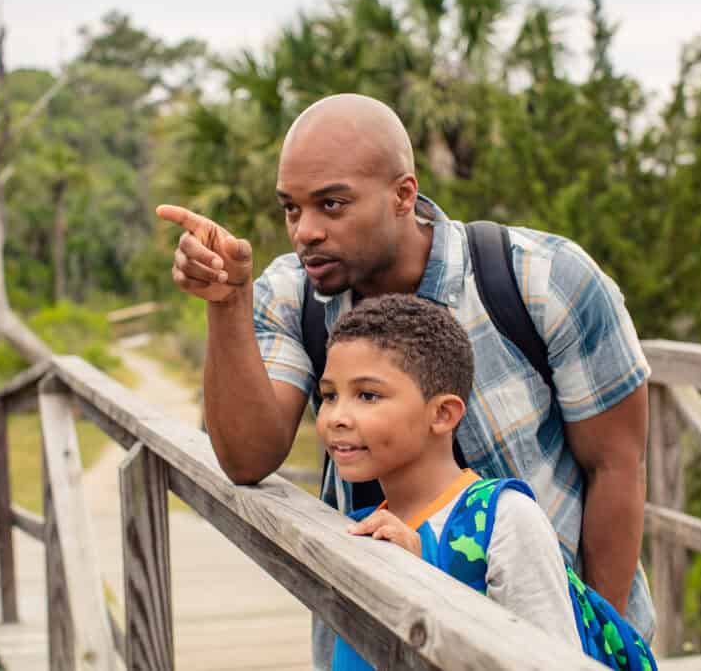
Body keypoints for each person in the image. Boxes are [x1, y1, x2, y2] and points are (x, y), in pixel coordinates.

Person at [156, 93, 654, 667]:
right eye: (291, 209)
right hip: (383, 635)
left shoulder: (544, 280)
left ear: (403, 195)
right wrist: (227, 303)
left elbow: (616, 465)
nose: (305, 231)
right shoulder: (291, 295)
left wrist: (593, 646)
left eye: (332, 204)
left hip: (550, 636)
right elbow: (247, 458)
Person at [319, 294, 583, 669]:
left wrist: (423, 583)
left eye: (368, 395)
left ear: (442, 414)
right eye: (329, 396)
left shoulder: (505, 522)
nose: (336, 417)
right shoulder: (365, 523)